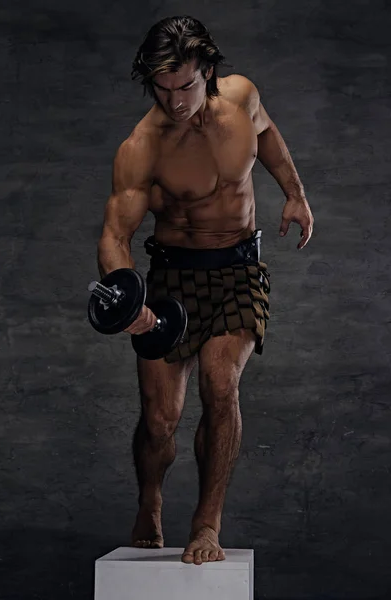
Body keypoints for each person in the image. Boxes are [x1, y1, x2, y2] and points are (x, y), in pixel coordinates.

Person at [96, 15, 314, 566]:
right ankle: (151, 498)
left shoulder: (241, 100)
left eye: (186, 87)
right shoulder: (141, 147)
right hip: (172, 279)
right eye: (162, 90)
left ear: (209, 72)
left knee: (221, 384)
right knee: (161, 420)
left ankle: (206, 523)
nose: (174, 101)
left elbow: (266, 134)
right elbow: (115, 236)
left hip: (239, 270)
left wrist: (294, 192)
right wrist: (132, 306)